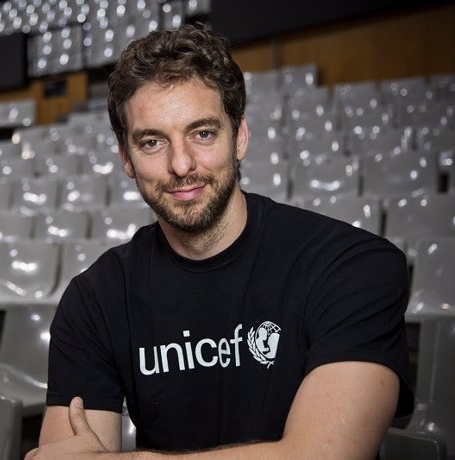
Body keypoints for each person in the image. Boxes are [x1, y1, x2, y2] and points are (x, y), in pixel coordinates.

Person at [26, 24, 413, 459]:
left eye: (203, 133)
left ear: (240, 136)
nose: (181, 163)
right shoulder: (94, 299)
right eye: (152, 142)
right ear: (126, 159)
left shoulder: (353, 267)